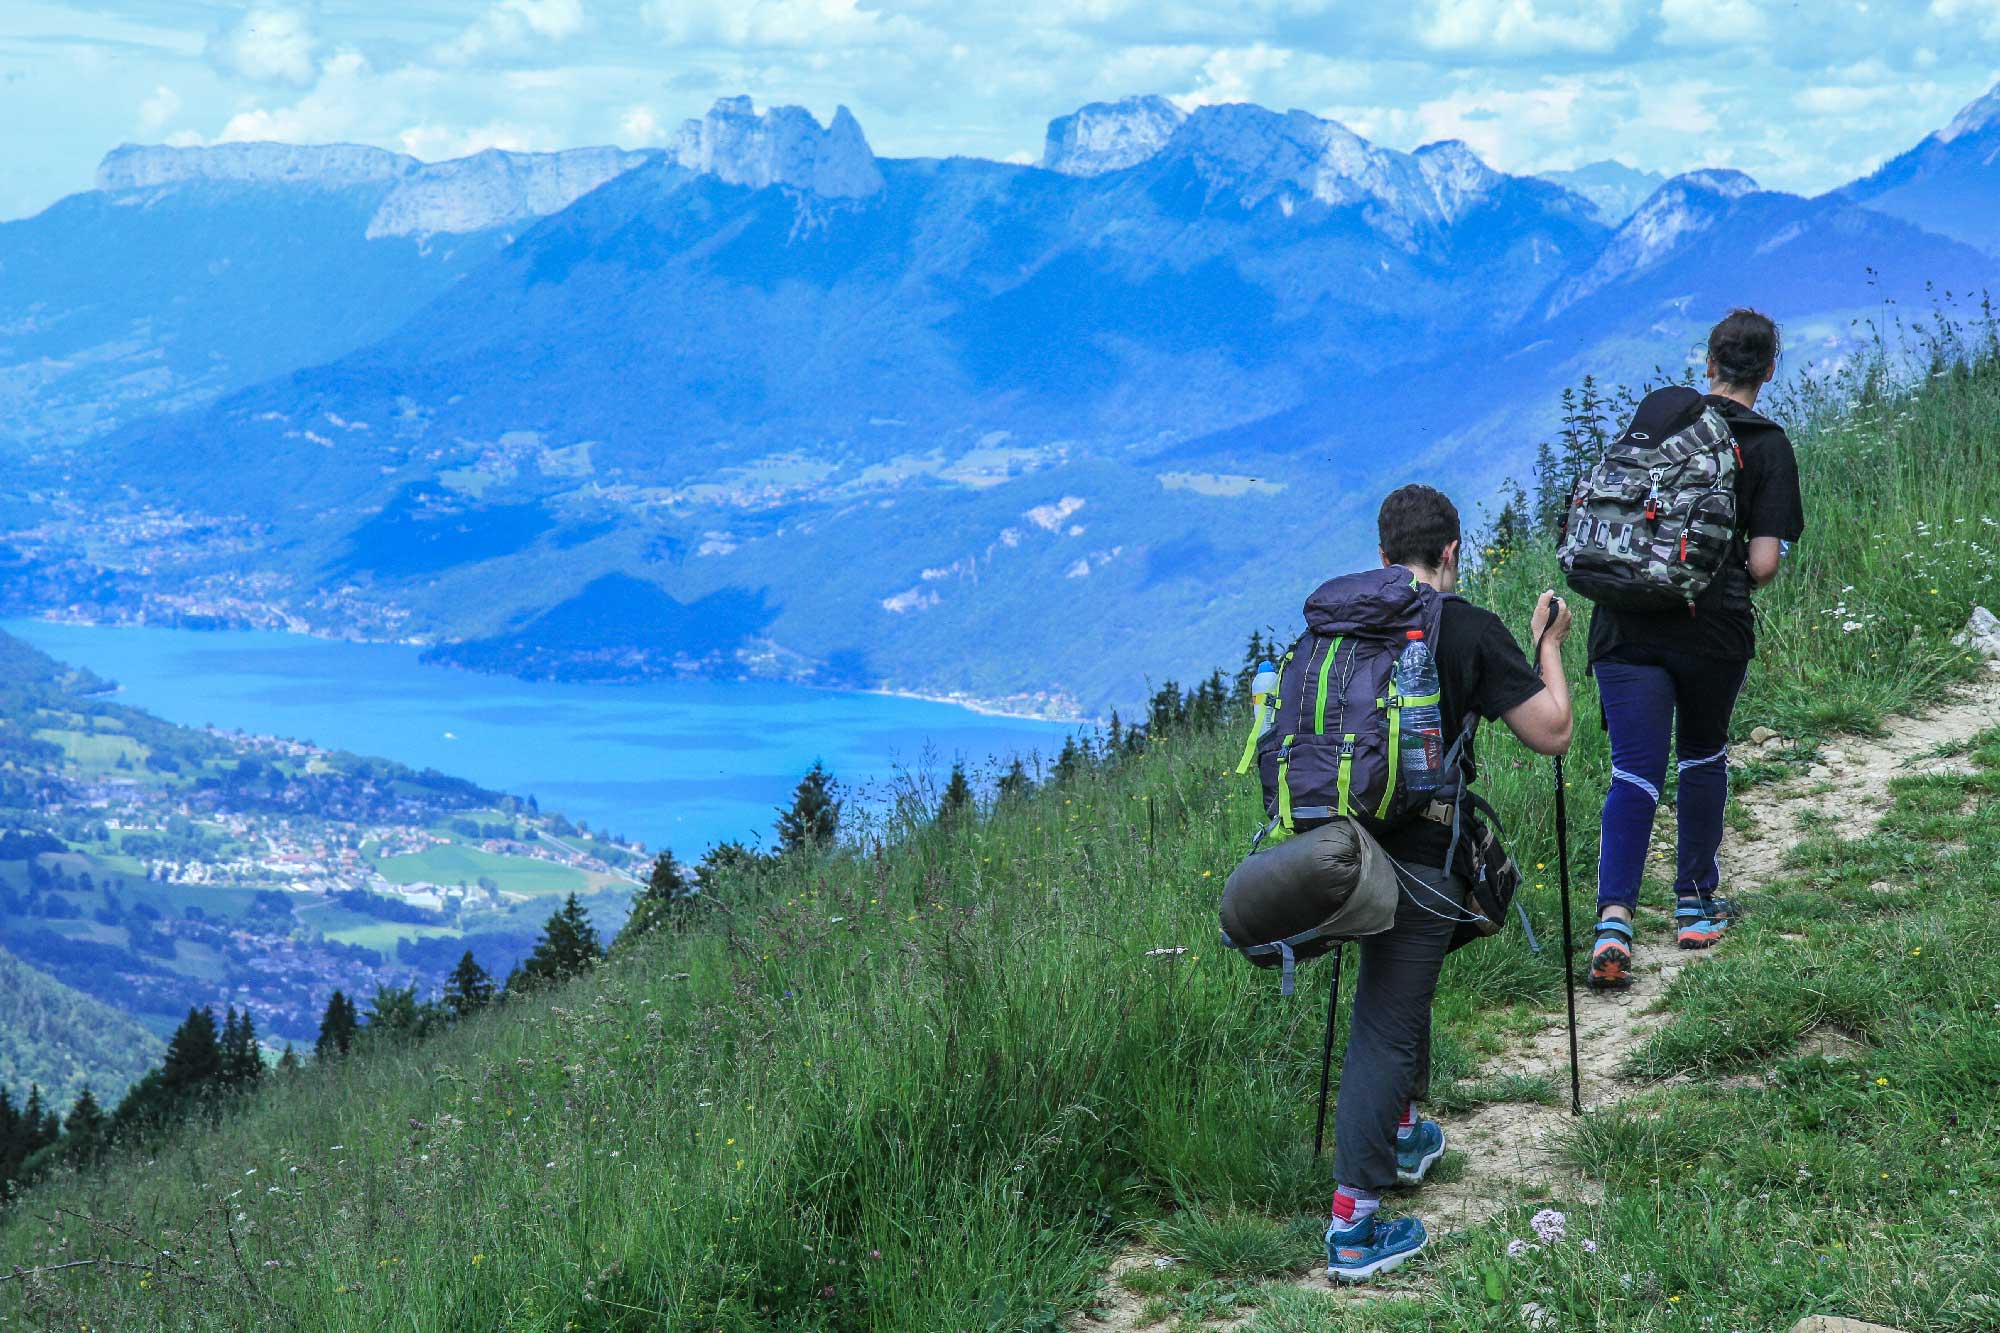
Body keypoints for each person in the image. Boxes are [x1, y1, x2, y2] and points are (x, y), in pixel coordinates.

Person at [1322, 484, 1575, 1283]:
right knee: (1387, 1022)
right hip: (1426, 854)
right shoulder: (1465, 627)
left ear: (1384, 557)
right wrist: (1549, 644)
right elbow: (1553, 731)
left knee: (1398, 991)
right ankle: (1354, 1226)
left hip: (1341, 846)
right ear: (1453, 553)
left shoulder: (1352, 625)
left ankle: (1401, 1132)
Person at [1586, 309, 1805, 990]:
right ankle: (1694, 903)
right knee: (1702, 752)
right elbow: (1764, 563)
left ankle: (1614, 919)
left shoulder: (1657, 426)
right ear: (1770, 369)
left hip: (1623, 625)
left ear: (1707, 364)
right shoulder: (1767, 445)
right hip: (1711, 630)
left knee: (1634, 770)